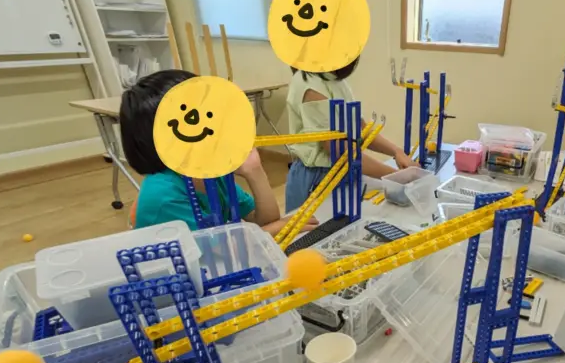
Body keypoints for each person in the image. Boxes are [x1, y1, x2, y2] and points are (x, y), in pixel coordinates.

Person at [121, 70, 315, 236]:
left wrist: (254, 170)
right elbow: (217, 251)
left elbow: (264, 220)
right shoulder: (163, 195)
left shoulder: (208, 171)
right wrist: (277, 228)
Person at [285, 58, 418, 212]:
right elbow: (340, 151)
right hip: (317, 178)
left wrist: (397, 152)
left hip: (344, 171)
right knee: (319, 226)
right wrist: (395, 176)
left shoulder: (334, 79)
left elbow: (361, 129)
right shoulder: (309, 84)